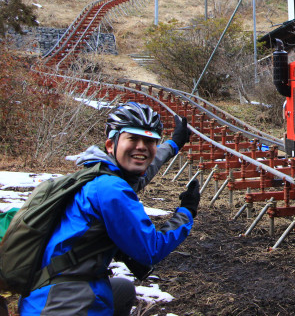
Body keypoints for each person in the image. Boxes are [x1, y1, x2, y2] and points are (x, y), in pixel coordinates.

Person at [18, 101, 200, 316]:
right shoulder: (110, 189)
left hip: (42, 293)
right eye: (132, 138)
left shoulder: (95, 173)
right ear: (110, 145)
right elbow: (150, 251)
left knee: (122, 290)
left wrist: (173, 144)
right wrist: (186, 212)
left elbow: (136, 176)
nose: (142, 146)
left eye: (150, 140)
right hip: (63, 306)